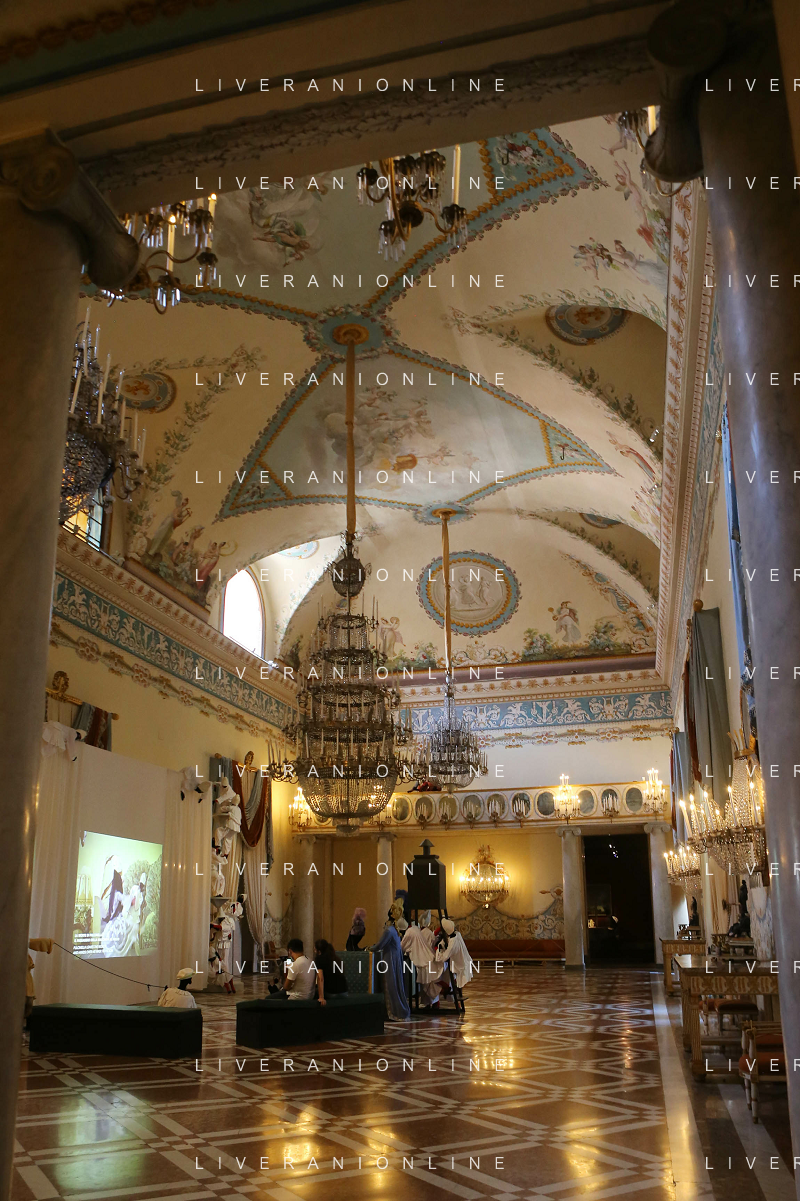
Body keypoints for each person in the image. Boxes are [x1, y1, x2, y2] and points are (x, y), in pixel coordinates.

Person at [371, 923, 410, 1021]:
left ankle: (393, 1012)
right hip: (395, 959)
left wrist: (369, 948)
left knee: (390, 986)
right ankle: (398, 1011)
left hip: (389, 960)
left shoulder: (389, 931)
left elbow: (379, 946)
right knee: (395, 985)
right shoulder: (395, 931)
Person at [313, 939, 348, 1005]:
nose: (314, 951)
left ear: (319, 951)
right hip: (344, 992)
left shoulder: (319, 959)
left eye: (315, 949)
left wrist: (321, 997)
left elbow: (320, 978)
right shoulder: (336, 958)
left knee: (312, 993)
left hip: (331, 993)